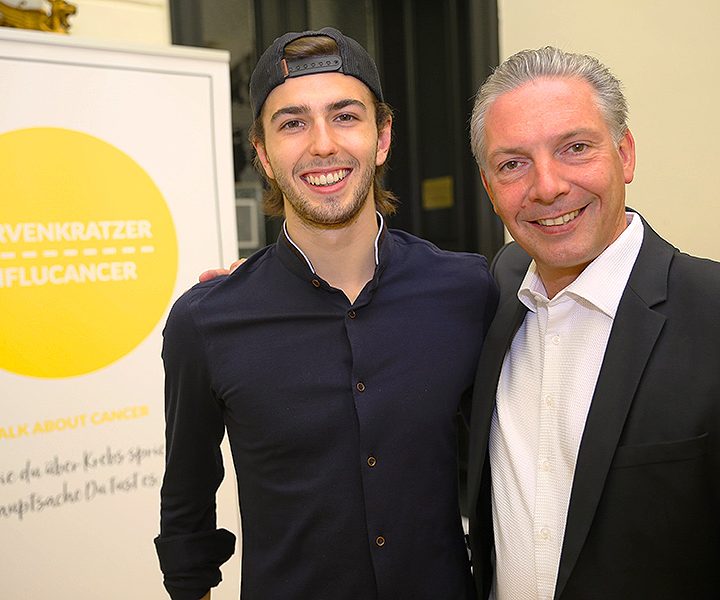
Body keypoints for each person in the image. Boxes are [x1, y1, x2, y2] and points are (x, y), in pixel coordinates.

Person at [155, 27, 498, 600]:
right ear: (262, 154)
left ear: (382, 138)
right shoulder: (207, 324)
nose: (322, 144)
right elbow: (186, 513)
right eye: (292, 122)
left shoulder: (466, 291)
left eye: (345, 116)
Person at [465, 47, 720, 600]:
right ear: (489, 188)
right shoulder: (493, 295)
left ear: (625, 155)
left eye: (575, 148)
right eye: (513, 164)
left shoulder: (712, 314)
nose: (548, 186)